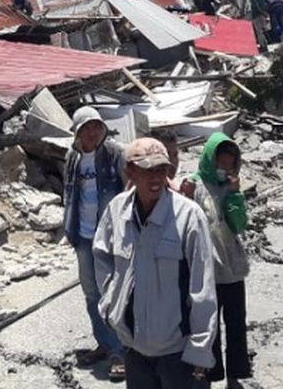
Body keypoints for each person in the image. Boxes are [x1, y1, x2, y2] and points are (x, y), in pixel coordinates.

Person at [94, 138, 217, 388]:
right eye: (147, 170)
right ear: (130, 171)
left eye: (161, 170)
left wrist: (200, 348)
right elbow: (103, 259)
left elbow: (202, 287)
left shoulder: (188, 216)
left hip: (178, 353)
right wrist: (111, 307)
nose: (156, 178)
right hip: (134, 348)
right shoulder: (117, 211)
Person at [64, 106, 127, 380]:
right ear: (77, 131)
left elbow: (129, 191)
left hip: (109, 237)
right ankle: (104, 342)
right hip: (82, 236)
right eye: (86, 127)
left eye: (96, 126)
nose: (92, 132)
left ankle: (120, 352)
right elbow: (68, 195)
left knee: (112, 294)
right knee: (91, 293)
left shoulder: (114, 154)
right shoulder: (72, 158)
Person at [186, 133, 251, 387]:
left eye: (229, 164)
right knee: (208, 327)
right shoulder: (195, 184)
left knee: (235, 326)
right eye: (220, 163)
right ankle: (211, 374)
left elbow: (238, 225)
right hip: (206, 271)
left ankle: (235, 376)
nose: (224, 169)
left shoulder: (232, 188)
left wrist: (235, 195)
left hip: (232, 269)